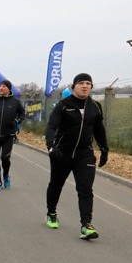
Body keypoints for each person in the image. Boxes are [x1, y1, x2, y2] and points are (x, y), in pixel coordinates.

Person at [44, 73, 109, 239]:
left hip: (84, 154)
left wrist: (104, 149)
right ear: (74, 86)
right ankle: (51, 213)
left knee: (85, 189)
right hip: (62, 153)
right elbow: (51, 126)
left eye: (88, 83)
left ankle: (86, 225)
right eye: (81, 83)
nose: (85, 86)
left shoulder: (95, 106)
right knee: (56, 185)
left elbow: (99, 130)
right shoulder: (63, 105)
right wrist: (51, 146)